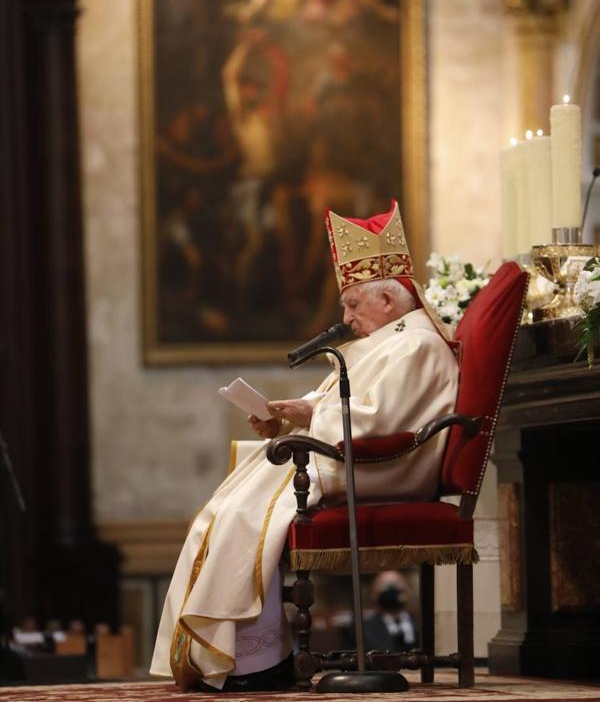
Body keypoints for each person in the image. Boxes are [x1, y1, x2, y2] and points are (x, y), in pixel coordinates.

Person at [150, 199, 459, 692]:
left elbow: (380, 420)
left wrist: (310, 414)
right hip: (351, 457)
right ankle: (254, 654)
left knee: (247, 512)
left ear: (388, 299)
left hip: (383, 468)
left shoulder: (417, 345)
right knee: (230, 507)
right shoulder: (390, 340)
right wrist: (284, 420)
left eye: (352, 304)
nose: (345, 316)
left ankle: (253, 660)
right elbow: (346, 406)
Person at [363, 571, 417, 654]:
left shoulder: (420, 623)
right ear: (373, 593)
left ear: (409, 590)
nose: (391, 588)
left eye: (398, 582)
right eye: (384, 584)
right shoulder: (364, 628)